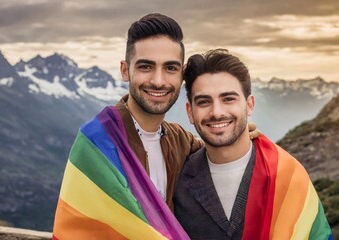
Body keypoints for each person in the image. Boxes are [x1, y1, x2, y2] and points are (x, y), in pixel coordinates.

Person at [52, 14, 258, 240]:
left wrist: (241, 135)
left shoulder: (180, 141)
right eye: (146, 66)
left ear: (181, 76)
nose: (158, 81)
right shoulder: (96, 143)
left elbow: (217, 150)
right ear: (125, 70)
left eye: (170, 68)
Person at [173, 49, 333, 240]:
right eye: (204, 102)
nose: (216, 112)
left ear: (249, 105)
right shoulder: (176, 182)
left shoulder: (288, 177)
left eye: (228, 99)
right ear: (190, 112)